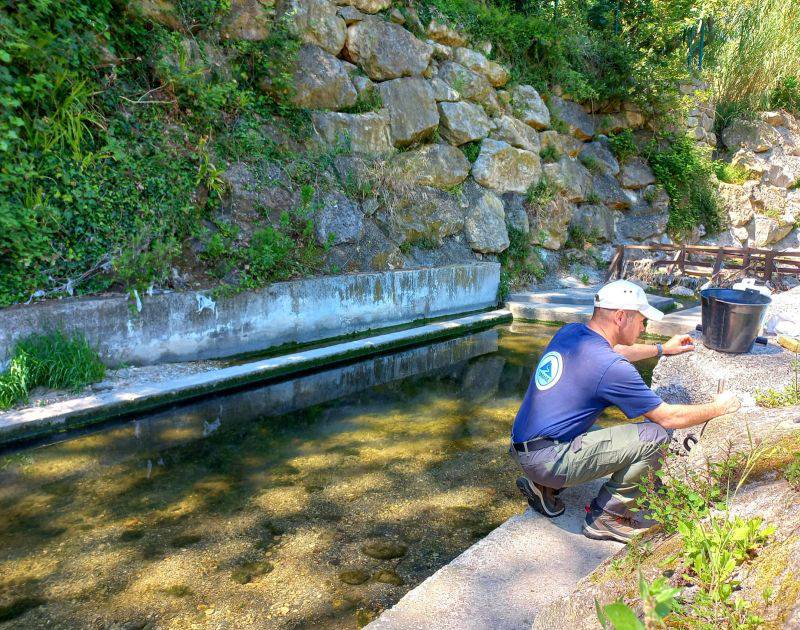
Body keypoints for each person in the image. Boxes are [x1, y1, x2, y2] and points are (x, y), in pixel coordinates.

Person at [510, 279, 741, 543]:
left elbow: (614, 351)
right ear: (621, 317)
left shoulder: (571, 333)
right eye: (642, 320)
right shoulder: (612, 368)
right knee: (655, 435)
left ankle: (542, 487)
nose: (644, 327)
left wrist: (662, 349)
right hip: (547, 460)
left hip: (524, 447)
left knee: (595, 429)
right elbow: (669, 417)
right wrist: (720, 406)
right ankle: (606, 516)